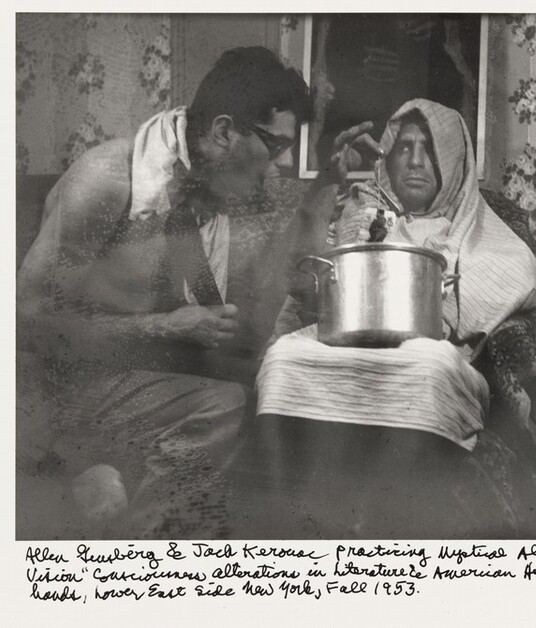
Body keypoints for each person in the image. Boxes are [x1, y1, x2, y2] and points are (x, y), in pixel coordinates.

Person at [16, 46, 379, 538]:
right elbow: (25, 319)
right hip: (59, 388)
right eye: (275, 147)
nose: (281, 165)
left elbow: (269, 305)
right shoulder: (106, 180)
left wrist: (329, 180)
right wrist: (162, 326)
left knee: (272, 393)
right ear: (224, 131)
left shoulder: (212, 186)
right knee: (222, 404)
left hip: (143, 380)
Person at [249, 99, 536, 538]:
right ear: (387, 156)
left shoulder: (485, 232)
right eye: (403, 148)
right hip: (345, 343)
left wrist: (443, 305)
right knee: (282, 360)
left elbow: (515, 280)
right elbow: (306, 284)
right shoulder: (359, 213)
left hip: (435, 350)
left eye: (430, 149)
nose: (415, 161)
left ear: (453, 159)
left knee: (427, 368)